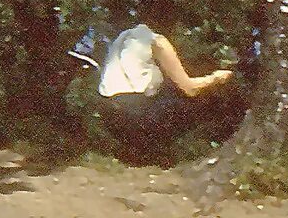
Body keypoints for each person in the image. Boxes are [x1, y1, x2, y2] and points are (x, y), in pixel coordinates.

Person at [97, 11, 235, 162]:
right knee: (193, 98)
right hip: (136, 115)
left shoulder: (124, 37)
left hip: (108, 113)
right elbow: (189, 88)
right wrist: (215, 78)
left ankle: (135, 153)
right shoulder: (157, 41)